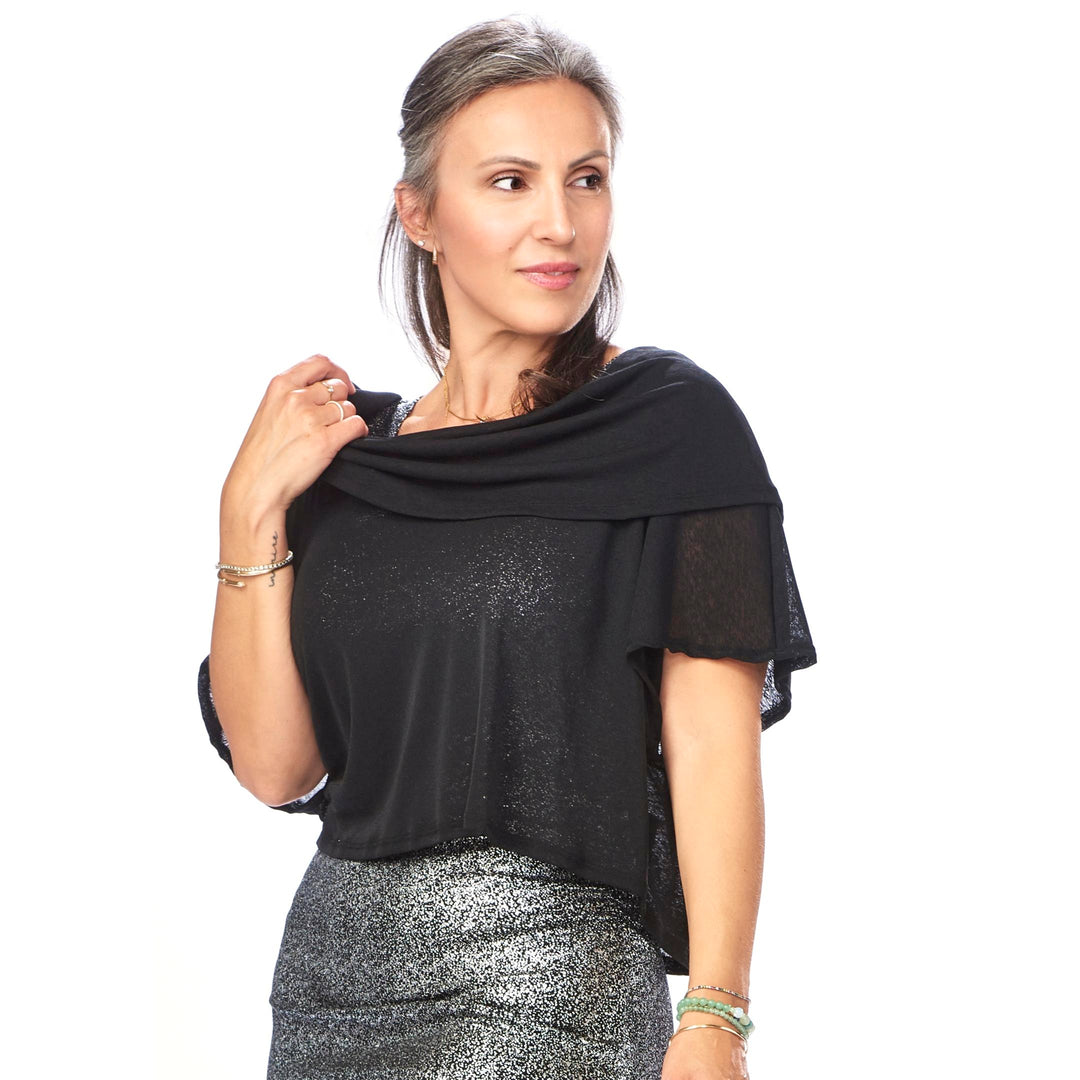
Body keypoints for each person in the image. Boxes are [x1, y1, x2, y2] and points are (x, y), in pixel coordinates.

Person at [197, 15, 817, 1080]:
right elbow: (276, 765)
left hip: (554, 996)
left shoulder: (670, 429)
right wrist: (246, 511)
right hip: (329, 993)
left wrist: (716, 1015)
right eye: (509, 183)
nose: (559, 224)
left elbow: (713, 744)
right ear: (419, 214)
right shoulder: (350, 467)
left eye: (586, 180)